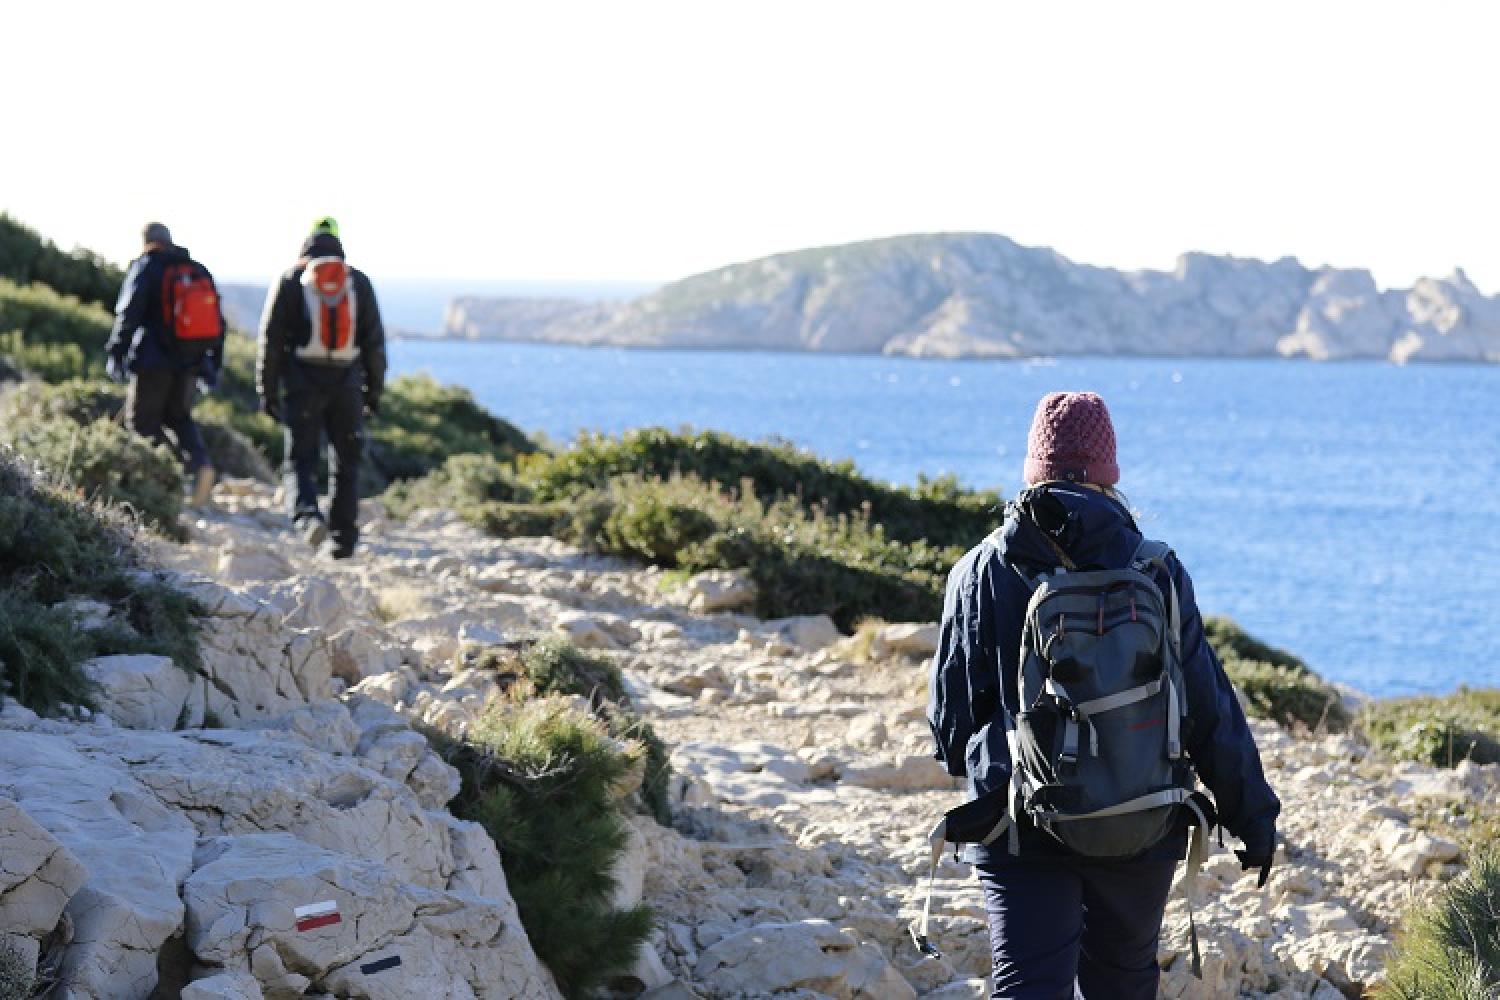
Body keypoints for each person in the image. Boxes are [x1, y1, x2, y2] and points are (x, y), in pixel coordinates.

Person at [926, 391, 1279, 999]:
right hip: (1139, 816)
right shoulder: (1156, 569)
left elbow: (951, 726)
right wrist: (1254, 816)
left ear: (1034, 467)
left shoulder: (980, 570)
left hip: (1020, 820)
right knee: (1122, 981)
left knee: (1028, 986)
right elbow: (1208, 708)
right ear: (1108, 473)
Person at [256, 217, 386, 558]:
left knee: (300, 457)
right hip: (347, 383)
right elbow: (374, 344)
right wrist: (372, 393)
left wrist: (266, 390)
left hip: (302, 382)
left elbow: (270, 340)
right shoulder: (358, 282)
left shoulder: (290, 279)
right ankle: (343, 540)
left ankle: (307, 517)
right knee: (346, 460)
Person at [104, 222, 223, 507]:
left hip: (154, 360)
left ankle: (167, 479)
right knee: (179, 418)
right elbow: (219, 324)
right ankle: (200, 466)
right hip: (192, 362)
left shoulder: (147, 266)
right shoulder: (197, 269)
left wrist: (116, 352)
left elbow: (129, 313)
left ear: (146, 241)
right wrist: (211, 366)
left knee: (142, 422)